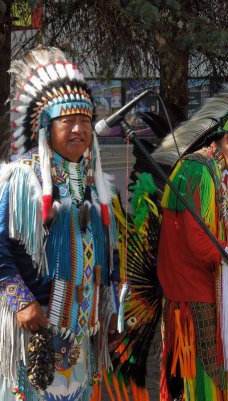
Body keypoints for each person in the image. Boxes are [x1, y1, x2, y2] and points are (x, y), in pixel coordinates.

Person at [0, 45, 120, 401]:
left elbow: (105, 253)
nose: (79, 129)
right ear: (46, 125)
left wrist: (111, 303)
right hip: (37, 323)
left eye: (85, 121)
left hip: (82, 328)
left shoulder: (94, 184)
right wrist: (22, 302)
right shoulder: (22, 178)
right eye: (67, 120)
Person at [151, 93, 228, 401]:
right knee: (201, 377)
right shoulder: (197, 169)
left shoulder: (217, 171)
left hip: (208, 289)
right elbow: (199, 242)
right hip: (192, 296)